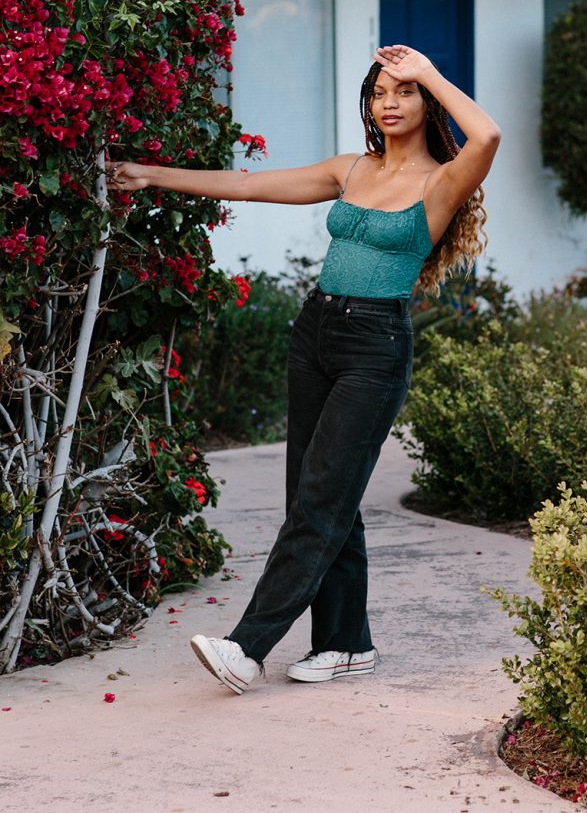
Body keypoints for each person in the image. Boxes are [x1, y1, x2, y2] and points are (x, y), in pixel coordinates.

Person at [109, 44, 501, 693]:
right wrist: (148, 173)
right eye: (380, 92)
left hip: (375, 347)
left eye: (403, 92)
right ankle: (346, 644)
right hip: (316, 331)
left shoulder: (443, 180)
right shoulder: (351, 170)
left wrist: (426, 69)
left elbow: (486, 133)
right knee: (319, 494)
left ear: (427, 103)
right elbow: (245, 184)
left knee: (321, 498)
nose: (390, 103)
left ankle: (248, 648)